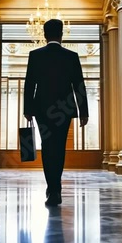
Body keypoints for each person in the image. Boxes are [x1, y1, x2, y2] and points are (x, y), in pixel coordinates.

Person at [23, 19, 89, 207]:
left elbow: (29, 85)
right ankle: (56, 188)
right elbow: (79, 85)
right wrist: (83, 112)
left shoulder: (35, 55)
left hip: (42, 109)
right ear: (61, 34)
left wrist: (28, 110)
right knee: (59, 148)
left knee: (47, 147)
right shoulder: (71, 56)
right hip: (64, 109)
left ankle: (51, 188)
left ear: (44, 35)